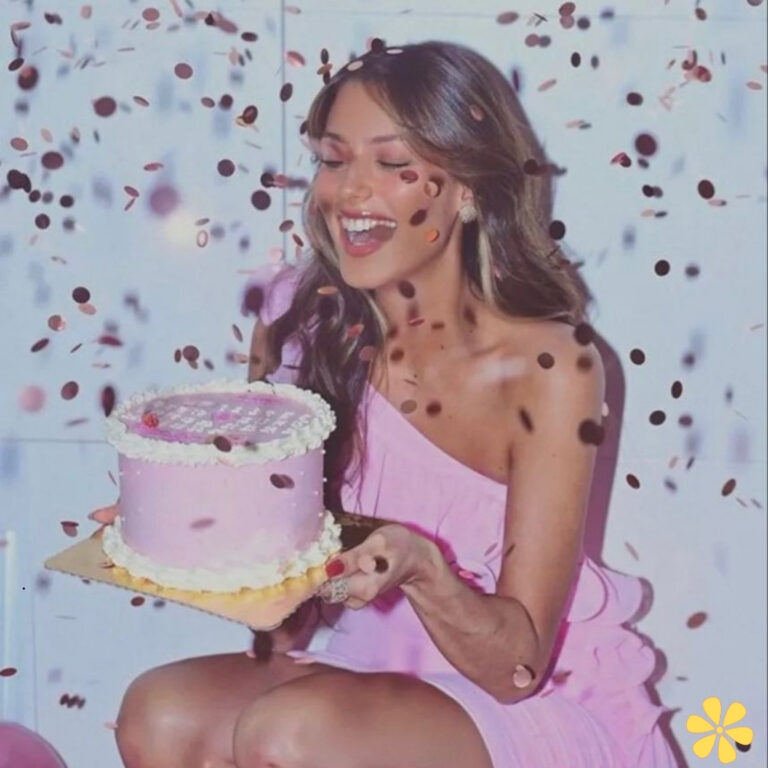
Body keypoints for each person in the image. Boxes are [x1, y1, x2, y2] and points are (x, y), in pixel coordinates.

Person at [111, 40, 680, 767]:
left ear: (468, 188)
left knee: (290, 733)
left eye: (389, 163)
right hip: (363, 680)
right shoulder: (295, 317)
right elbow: (284, 629)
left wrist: (422, 568)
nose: (349, 192)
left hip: (528, 704)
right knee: (160, 714)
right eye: (334, 158)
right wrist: (186, 526)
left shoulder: (550, 365)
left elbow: (517, 668)